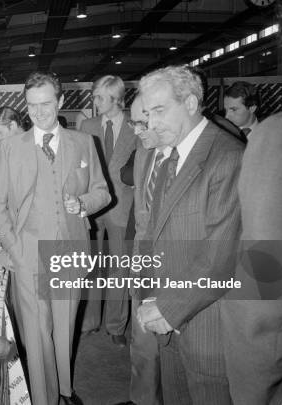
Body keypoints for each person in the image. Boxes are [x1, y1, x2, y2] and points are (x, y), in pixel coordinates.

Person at [0, 71, 110, 405]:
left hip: (69, 249)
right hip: (27, 251)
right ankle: (44, 399)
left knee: (64, 326)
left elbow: (103, 192)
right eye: (31, 105)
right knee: (38, 333)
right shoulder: (10, 148)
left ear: (60, 101)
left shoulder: (84, 143)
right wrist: (14, 247)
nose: (39, 112)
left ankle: (65, 391)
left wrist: (84, 203)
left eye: (46, 103)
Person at [136, 65, 244, 404]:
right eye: (147, 113)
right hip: (170, 323)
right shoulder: (169, 157)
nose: (151, 124)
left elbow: (221, 258)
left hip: (207, 328)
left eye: (159, 111)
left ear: (191, 103)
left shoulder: (227, 157)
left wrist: (167, 307)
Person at [220, 2, 282, 403]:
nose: (227, 115)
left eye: (233, 110)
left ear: (253, 109)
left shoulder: (273, 139)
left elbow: (266, 277)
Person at [79, 75, 136, 346]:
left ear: (117, 99)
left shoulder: (135, 127)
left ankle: (116, 326)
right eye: (95, 96)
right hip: (92, 207)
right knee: (90, 266)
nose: (95, 101)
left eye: (101, 97)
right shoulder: (87, 126)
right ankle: (89, 322)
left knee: (119, 269)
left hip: (123, 209)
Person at [124, 95, 167, 405]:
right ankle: (142, 400)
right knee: (141, 341)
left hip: (177, 268)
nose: (136, 130)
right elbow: (142, 216)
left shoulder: (194, 155)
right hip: (144, 260)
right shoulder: (143, 153)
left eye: (142, 122)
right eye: (133, 122)